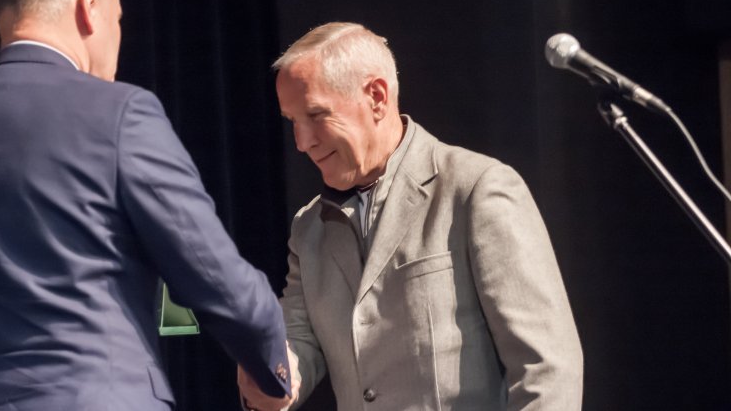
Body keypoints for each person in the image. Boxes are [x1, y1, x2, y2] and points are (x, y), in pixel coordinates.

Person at [0, 0, 293, 411]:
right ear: (89, 5)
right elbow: (208, 268)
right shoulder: (120, 113)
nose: (119, 37)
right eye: (118, 19)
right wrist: (272, 364)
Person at [238, 22, 583, 410]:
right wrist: (271, 376)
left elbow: (547, 369)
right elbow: (296, 343)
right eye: (292, 122)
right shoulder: (309, 228)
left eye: (316, 114)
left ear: (377, 97)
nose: (302, 142)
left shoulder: (476, 188)